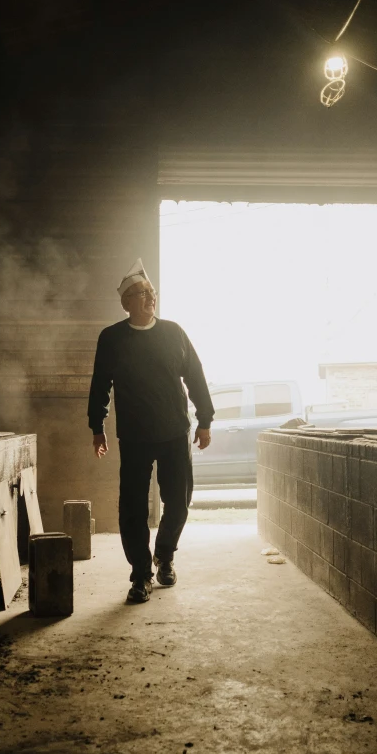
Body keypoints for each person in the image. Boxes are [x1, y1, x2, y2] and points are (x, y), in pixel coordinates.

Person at [88, 258, 214, 603]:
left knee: (178, 502)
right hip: (134, 436)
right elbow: (101, 385)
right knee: (132, 508)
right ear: (126, 302)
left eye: (152, 293)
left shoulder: (174, 333)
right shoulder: (112, 338)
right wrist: (96, 427)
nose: (150, 298)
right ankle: (140, 574)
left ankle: (165, 555)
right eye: (142, 294)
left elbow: (196, 376)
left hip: (174, 432)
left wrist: (205, 419)